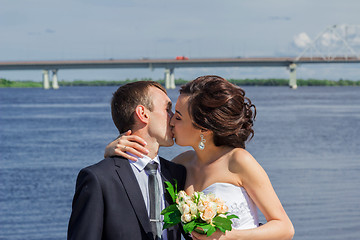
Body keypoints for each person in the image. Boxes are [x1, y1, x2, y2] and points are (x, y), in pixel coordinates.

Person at [105, 75, 295, 240]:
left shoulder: (238, 161)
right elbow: (138, 182)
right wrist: (111, 153)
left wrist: (230, 237)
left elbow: (285, 228)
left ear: (203, 128)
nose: (170, 121)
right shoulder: (180, 165)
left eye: (178, 117)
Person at [68, 81, 190, 240]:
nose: (173, 119)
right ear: (143, 114)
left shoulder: (177, 174)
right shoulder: (99, 179)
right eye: (167, 109)